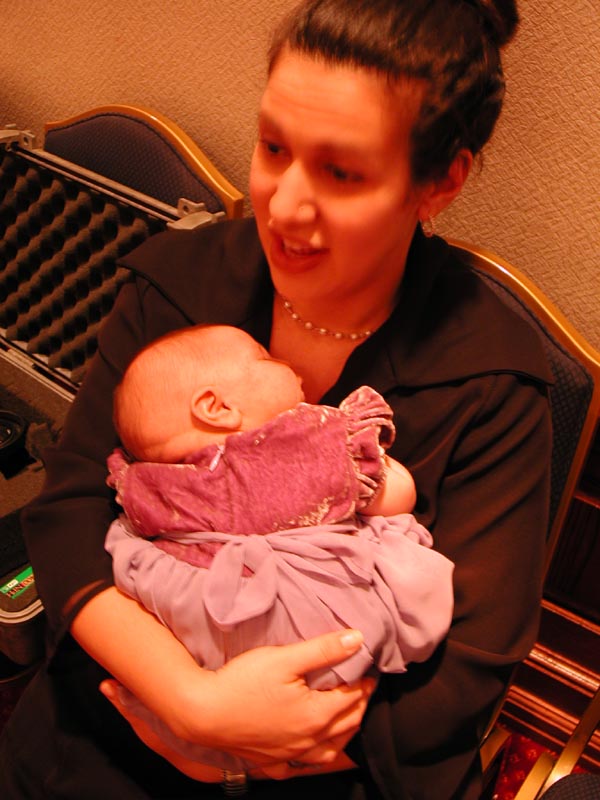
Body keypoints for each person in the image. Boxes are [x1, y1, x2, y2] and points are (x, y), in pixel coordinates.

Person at [0, 0, 553, 798]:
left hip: (329, 766)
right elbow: (68, 515)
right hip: (114, 720)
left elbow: (465, 675)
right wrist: (190, 704)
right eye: (273, 148)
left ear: (440, 183)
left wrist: (245, 748)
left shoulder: (492, 377)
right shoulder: (181, 281)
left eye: (342, 172)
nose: (284, 205)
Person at [104, 323, 454, 772]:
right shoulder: (291, 446)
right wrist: (384, 467)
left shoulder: (143, 480)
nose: (290, 367)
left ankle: (222, 755)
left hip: (197, 629)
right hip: (296, 626)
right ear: (216, 407)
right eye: (267, 359)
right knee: (395, 550)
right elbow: (397, 495)